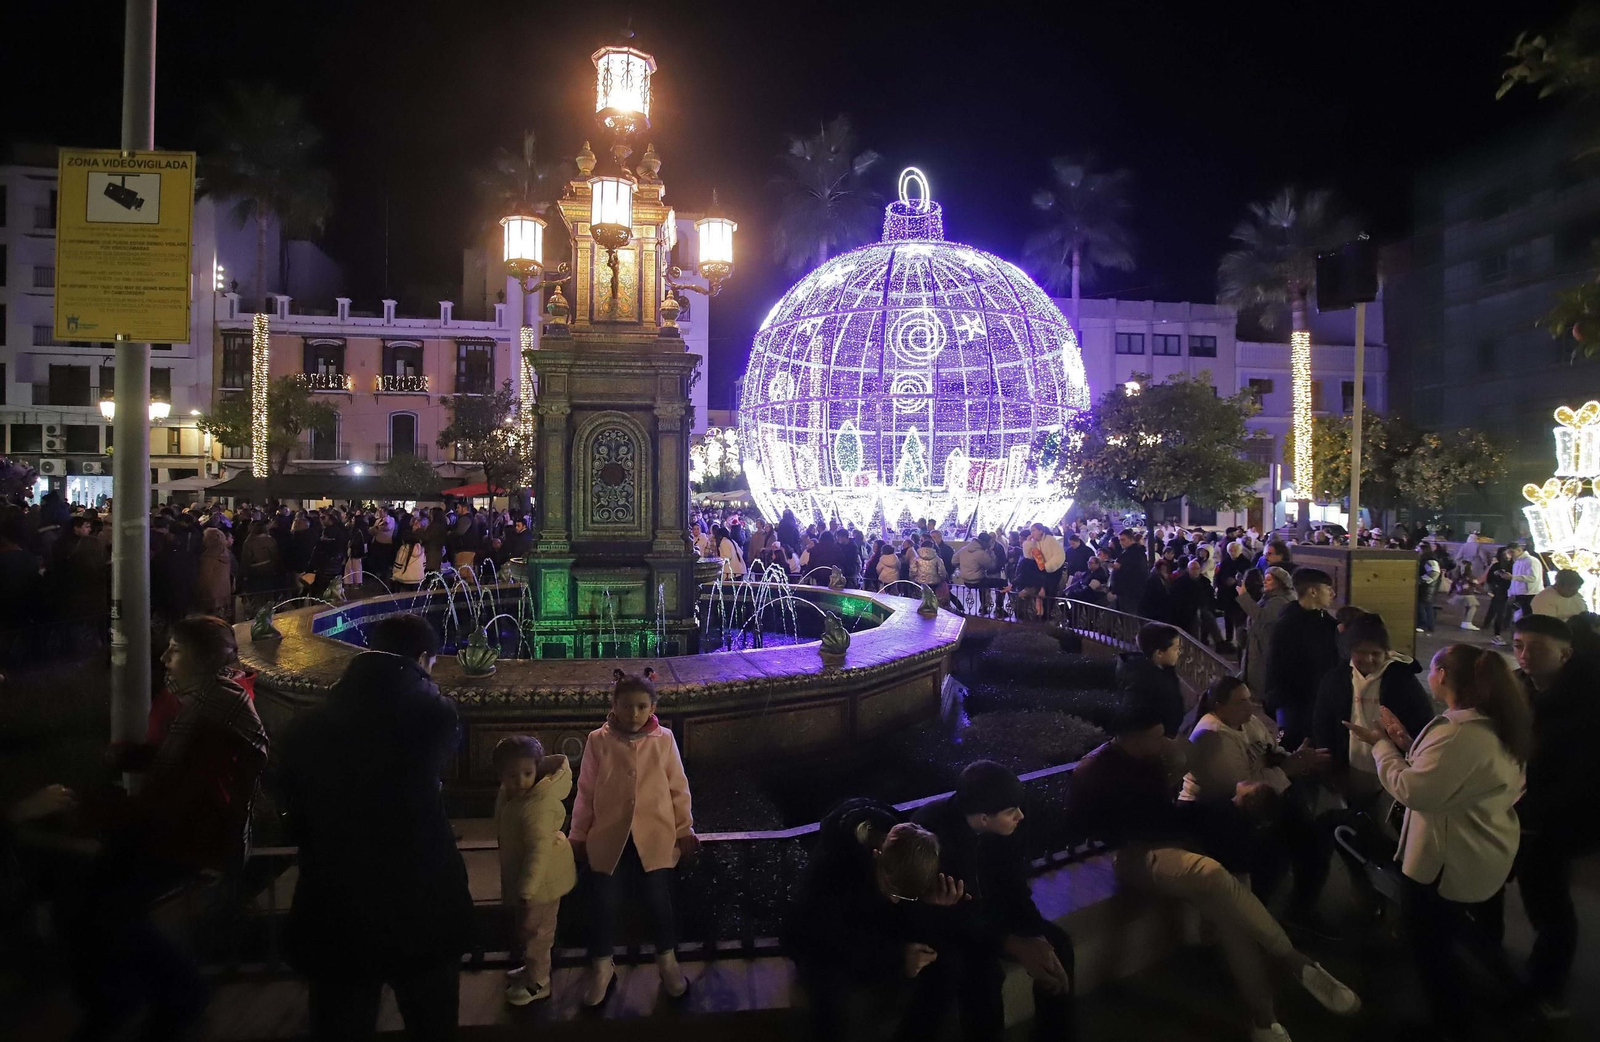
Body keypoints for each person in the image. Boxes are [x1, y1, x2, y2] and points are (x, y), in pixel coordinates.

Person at [1066, 702, 1361, 1041]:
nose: (1164, 742)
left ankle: (1265, 1022)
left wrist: (1174, 774)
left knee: (1230, 919)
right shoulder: (1094, 770)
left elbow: (1169, 809)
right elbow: (1078, 826)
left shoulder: (1149, 760)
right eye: (1158, 736)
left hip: (1175, 844)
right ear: (1133, 737)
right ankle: (1295, 961)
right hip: (1135, 855)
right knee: (1210, 873)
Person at [278, 614, 474, 1042]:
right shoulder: (435, 714)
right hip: (422, 901)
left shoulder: (307, 724)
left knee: (340, 1020)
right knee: (432, 1020)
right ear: (424, 657)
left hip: (334, 905)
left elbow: (287, 804)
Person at [1342, 643, 1530, 1035]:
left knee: (1433, 948)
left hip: (1446, 861)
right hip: (1479, 847)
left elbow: (1414, 790)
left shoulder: (1461, 733)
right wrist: (1407, 743)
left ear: (1442, 675)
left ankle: (1449, 1023)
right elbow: (1452, 776)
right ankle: (1493, 999)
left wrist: (1379, 745)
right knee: (1462, 936)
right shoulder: (1491, 723)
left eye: (1433, 667)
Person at [913, 762, 1076, 1041]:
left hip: (991, 918)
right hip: (948, 927)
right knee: (983, 976)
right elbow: (948, 913)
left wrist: (1035, 935)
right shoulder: (932, 832)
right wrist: (1007, 940)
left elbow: (1015, 887)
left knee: (1056, 944)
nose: (1020, 816)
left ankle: (1055, 1034)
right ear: (983, 818)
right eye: (1011, 812)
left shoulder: (1006, 830)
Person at [787, 797, 969, 1040]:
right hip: (837, 945)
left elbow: (906, 912)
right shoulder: (831, 870)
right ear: (876, 856)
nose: (895, 900)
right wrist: (896, 957)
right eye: (892, 891)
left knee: (948, 967)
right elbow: (820, 938)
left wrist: (936, 907)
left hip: (879, 937)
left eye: (904, 896)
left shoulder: (908, 852)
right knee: (829, 994)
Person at [570, 669, 698, 1005]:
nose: (634, 713)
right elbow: (585, 791)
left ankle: (667, 962)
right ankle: (601, 967)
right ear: (613, 704)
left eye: (642, 706)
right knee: (603, 902)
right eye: (627, 706)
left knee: (659, 900)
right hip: (608, 837)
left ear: (653, 706)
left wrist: (685, 829)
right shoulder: (597, 740)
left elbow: (677, 787)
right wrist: (578, 834)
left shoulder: (664, 739)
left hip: (654, 835)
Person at [1510, 615, 1600, 1018]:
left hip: (1556, 821)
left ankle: (1547, 989)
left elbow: (1580, 778)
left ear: (1565, 654)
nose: (1525, 656)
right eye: (1518, 645)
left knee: (1548, 902)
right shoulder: (1519, 685)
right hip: (1518, 811)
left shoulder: (1587, 704)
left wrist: (1533, 816)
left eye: (1536, 648)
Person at [1311, 613, 1436, 802]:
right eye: (1360, 652)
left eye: (1375, 653)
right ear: (1350, 650)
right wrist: (1331, 765)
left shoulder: (1402, 680)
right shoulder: (1336, 679)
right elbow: (1322, 722)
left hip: (1393, 771)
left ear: (1386, 651)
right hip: (1349, 767)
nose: (1368, 659)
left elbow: (1422, 721)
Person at [492, 735, 576, 1007]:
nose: (520, 781)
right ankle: (531, 970)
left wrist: (526, 888)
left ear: (537, 769)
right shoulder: (511, 796)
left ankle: (540, 983)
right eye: (512, 775)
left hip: (542, 882)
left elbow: (538, 852)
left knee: (538, 933)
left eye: (527, 774)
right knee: (527, 929)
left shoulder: (537, 804)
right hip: (529, 879)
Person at [1264, 568, 1340, 749]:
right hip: (1296, 707)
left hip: (1321, 703)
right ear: (1313, 591)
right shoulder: (1288, 626)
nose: (1333, 593)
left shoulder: (1327, 622)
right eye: (1328, 588)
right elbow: (1275, 667)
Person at [1116, 623, 1185, 738]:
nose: (1179, 652)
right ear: (1159, 653)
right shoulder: (1140, 681)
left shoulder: (1165, 671)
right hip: (1153, 745)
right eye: (1175, 648)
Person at [195, 526, 235, 621]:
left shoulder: (207, 558)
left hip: (210, 597)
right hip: (225, 594)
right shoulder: (226, 554)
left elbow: (204, 579)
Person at [1109, 529, 1148, 616]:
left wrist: (1121, 567)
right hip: (1123, 592)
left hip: (1130, 592)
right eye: (1119, 540)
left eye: (1123, 540)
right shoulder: (1127, 552)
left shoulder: (1136, 553)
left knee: (1130, 618)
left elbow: (1138, 571)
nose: (1121, 542)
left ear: (1131, 539)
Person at [1485, 546, 1514, 645]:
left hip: (1511, 590)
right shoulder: (1497, 565)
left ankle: (1505, 627)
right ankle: (1497, 634)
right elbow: (1489, 578)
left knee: (1508, 611)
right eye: (1505, 554)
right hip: (1500, 590)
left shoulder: (1514, 564)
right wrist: (1494, 585)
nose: (1507, 556)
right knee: (1499, 611)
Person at [1507, 543, 1541, 624]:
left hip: (1530, 594)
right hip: (1519, 594)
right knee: (1518, 618)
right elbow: (1514, 580)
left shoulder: (1531, 560)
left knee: (1528, 618)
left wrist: (1513, 577)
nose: (1511, 555)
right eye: (1509, 553)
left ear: (1519, 550)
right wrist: (1511, 593)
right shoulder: (1516, 562)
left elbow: (1533, 578)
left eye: (1512, 552)